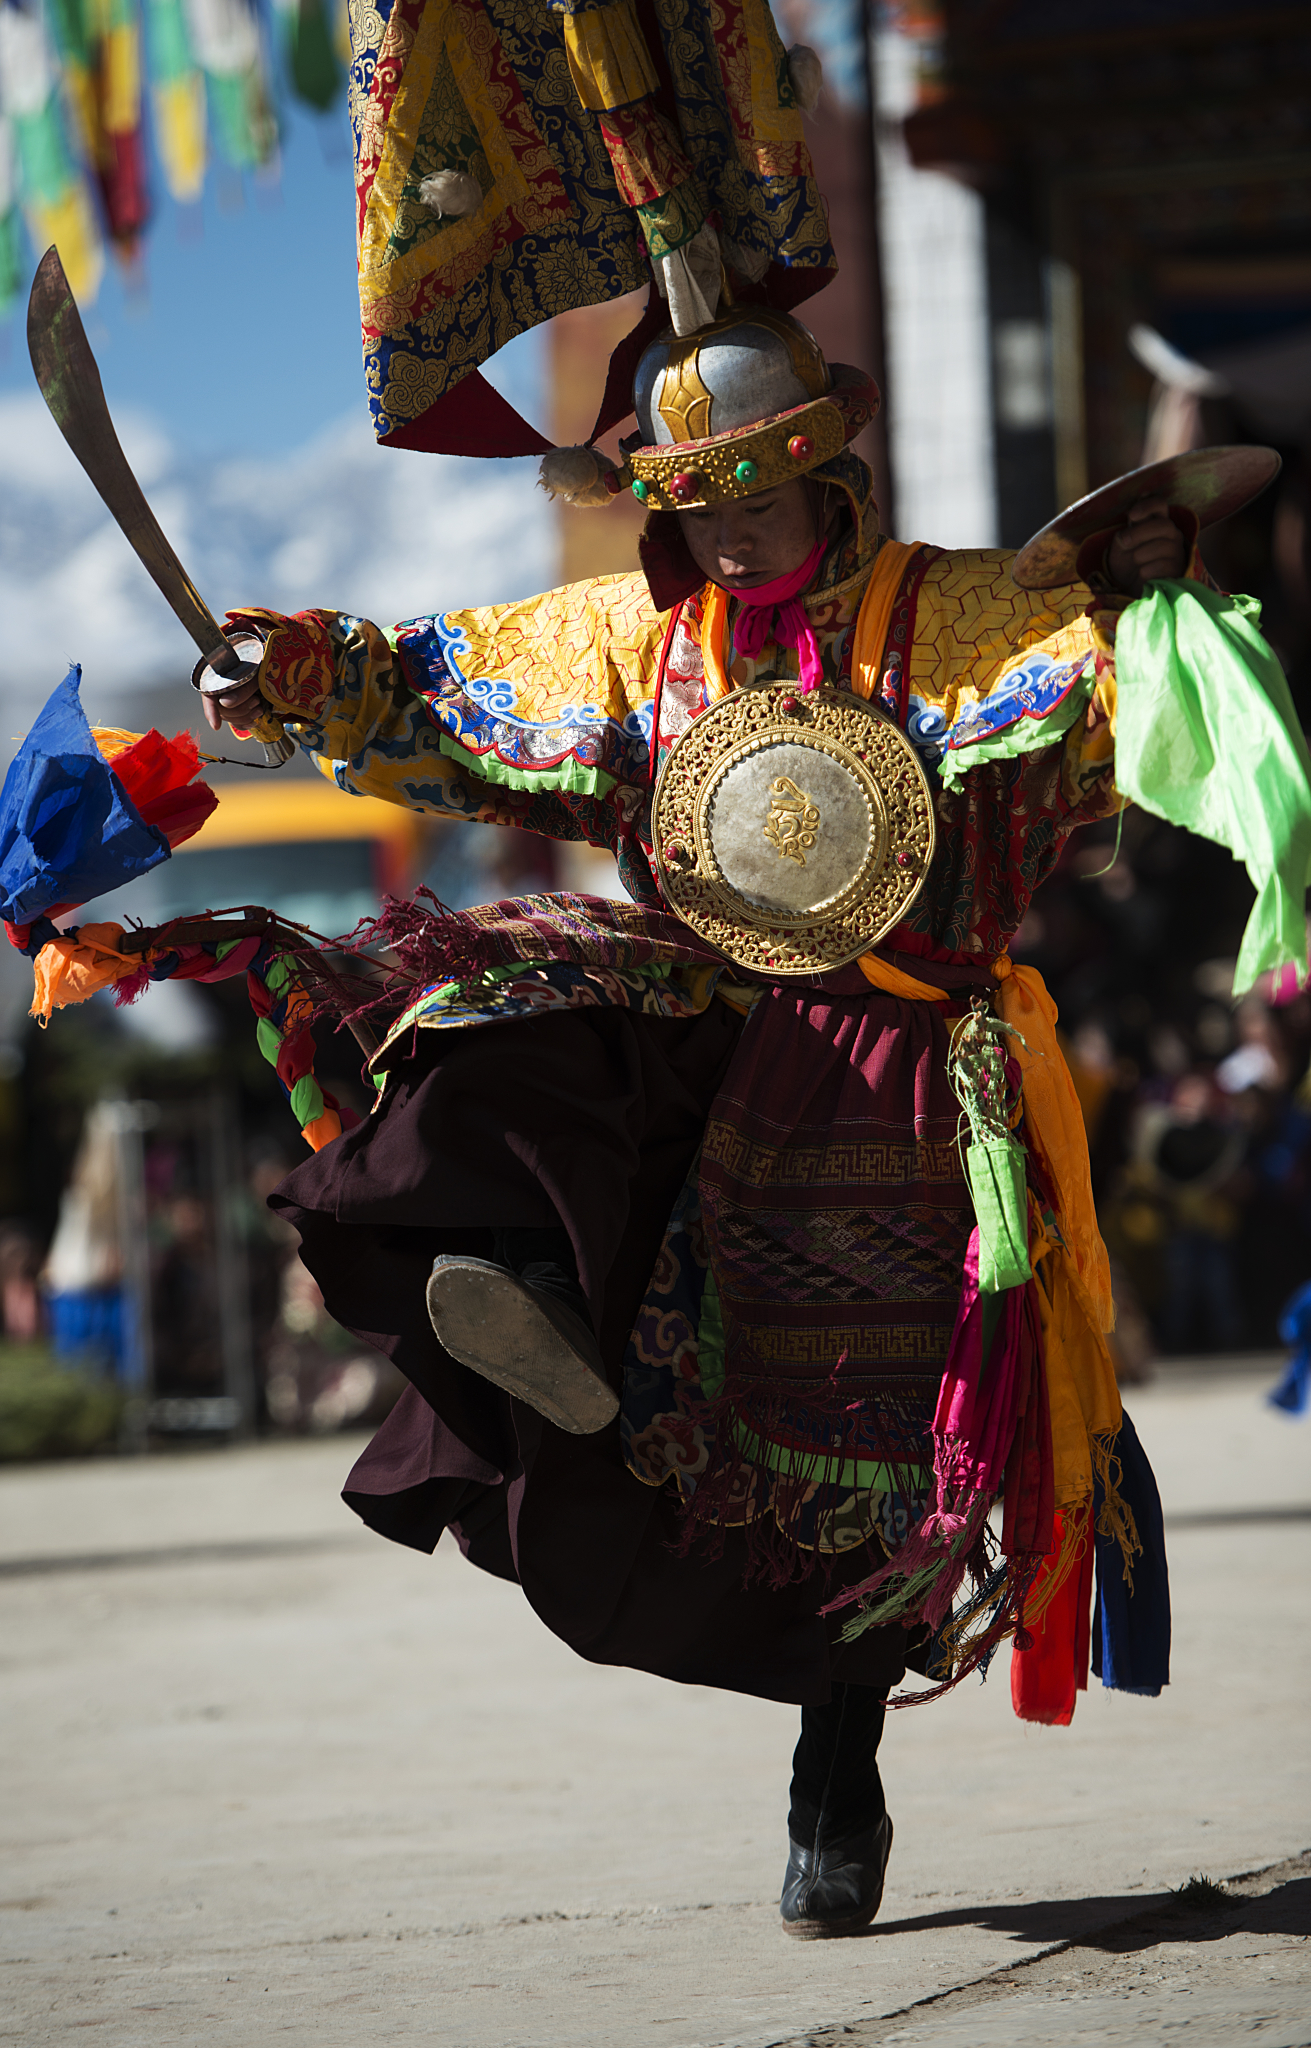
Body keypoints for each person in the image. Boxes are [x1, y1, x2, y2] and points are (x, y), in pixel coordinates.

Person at [196, 306, 1189, 1936]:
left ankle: (836, 1774)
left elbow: (1121, 695)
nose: (728, 533)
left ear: (828, 475)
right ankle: (540, 1304)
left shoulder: (966, 614)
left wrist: (1153, 589)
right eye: (697, 507)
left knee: (864, 1458)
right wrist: (302, 667)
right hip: (714, 1024)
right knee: (488, 995)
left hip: (911, 1075)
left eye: (758, 499)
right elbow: (435, 685)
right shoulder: (632, 641)